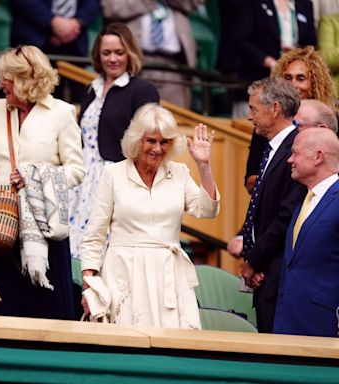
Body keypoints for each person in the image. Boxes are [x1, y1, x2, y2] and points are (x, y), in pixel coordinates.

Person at [0, 45, 84, 319]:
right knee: (2, 303)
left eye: (7, 79)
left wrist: (36, 177)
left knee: (45, 307)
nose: (0, 84)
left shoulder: (61, 113)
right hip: (0, 224)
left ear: (25, 80)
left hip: (44, 225)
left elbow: (76, 171)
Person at [80, 104, 219, 328]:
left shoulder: (180, 172)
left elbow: (207, 210)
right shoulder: (113, 173)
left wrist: (204, 167)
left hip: (169, 275)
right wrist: (90, 286)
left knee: (175, 347)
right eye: (151, 141)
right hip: (123, 274)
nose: (157, 148)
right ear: (137, 140)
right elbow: (94, 236)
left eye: (164, 142)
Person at [69, 22, 159, 259]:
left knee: (106, 253)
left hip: (115, 180)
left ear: (130, 53)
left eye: (119, 52)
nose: (112, 59)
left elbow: (150, 143)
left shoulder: (142, 90)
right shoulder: (91, 88)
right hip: (82, 180)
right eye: (106, 53)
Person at [239, 77, 307, 333]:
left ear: (275, 108)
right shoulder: (274, 148)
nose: (248, 116)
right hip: (267, 273)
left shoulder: (296, 149)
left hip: (279, 276)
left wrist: (254, 261)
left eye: (254, 109)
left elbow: (286, 216)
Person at [273, 127, 339, 337]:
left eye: (296, 153)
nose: (289, 160)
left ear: (318, 157)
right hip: (288, 318)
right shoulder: (306, 200)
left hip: (324, 323)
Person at [245, 46, 336, 193]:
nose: (293, 85)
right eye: (287, 78)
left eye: (301, 78)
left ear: (315, 83)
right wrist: (284, 177)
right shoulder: (266, 125)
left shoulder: (331, 120)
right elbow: (249, 181)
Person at [101, 0, 203, 108]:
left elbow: (195, 3)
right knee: (131, 116)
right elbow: (110, 8)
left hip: (174, 68)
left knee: (175, 119)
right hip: (134, 63)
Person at [234, 0, 316, 118]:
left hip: (291, 92)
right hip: (258, 79)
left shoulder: (305, 4)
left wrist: (295, 58)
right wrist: (271, 62)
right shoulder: (253, 3)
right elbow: (240, 42)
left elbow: (310, 44)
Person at [10, 0, 100, 57]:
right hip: (33, 38)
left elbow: (93, 2)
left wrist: (76, 23)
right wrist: (52, 21)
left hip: (75, 40)